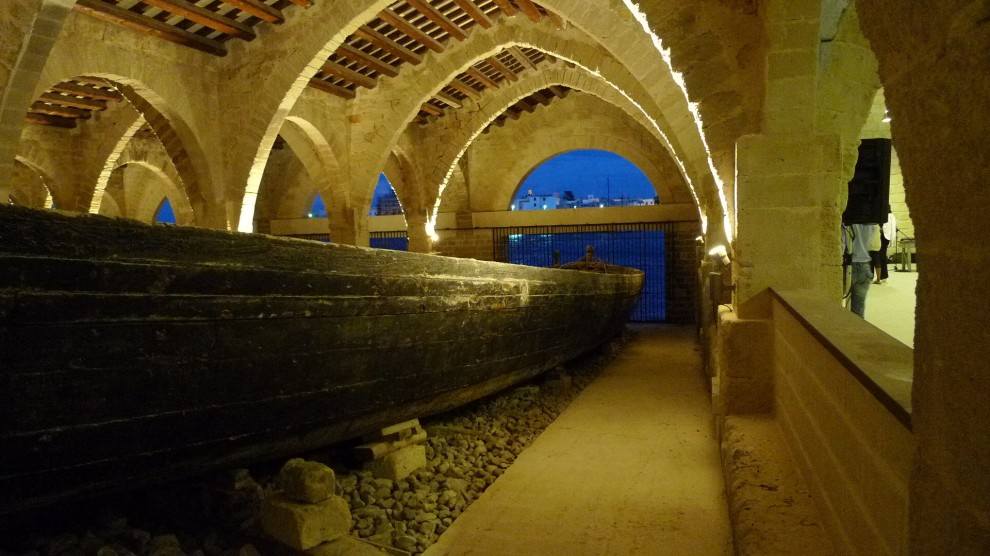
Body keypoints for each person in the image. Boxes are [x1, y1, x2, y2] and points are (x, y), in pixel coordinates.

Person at [842, 222, 877, 318]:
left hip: (848, 265)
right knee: (858, 311)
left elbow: (843, 242)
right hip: (864, 265)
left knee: (834, 305)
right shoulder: (872, 221)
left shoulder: (848, 220)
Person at [879, 211, 896, 282]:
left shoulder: (886, 216)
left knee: (881, 256)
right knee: (882, 256)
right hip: (886, 237)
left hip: (883, 237)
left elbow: (884, 228)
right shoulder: (892, 216)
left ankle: (883, 275)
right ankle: (883, 275)